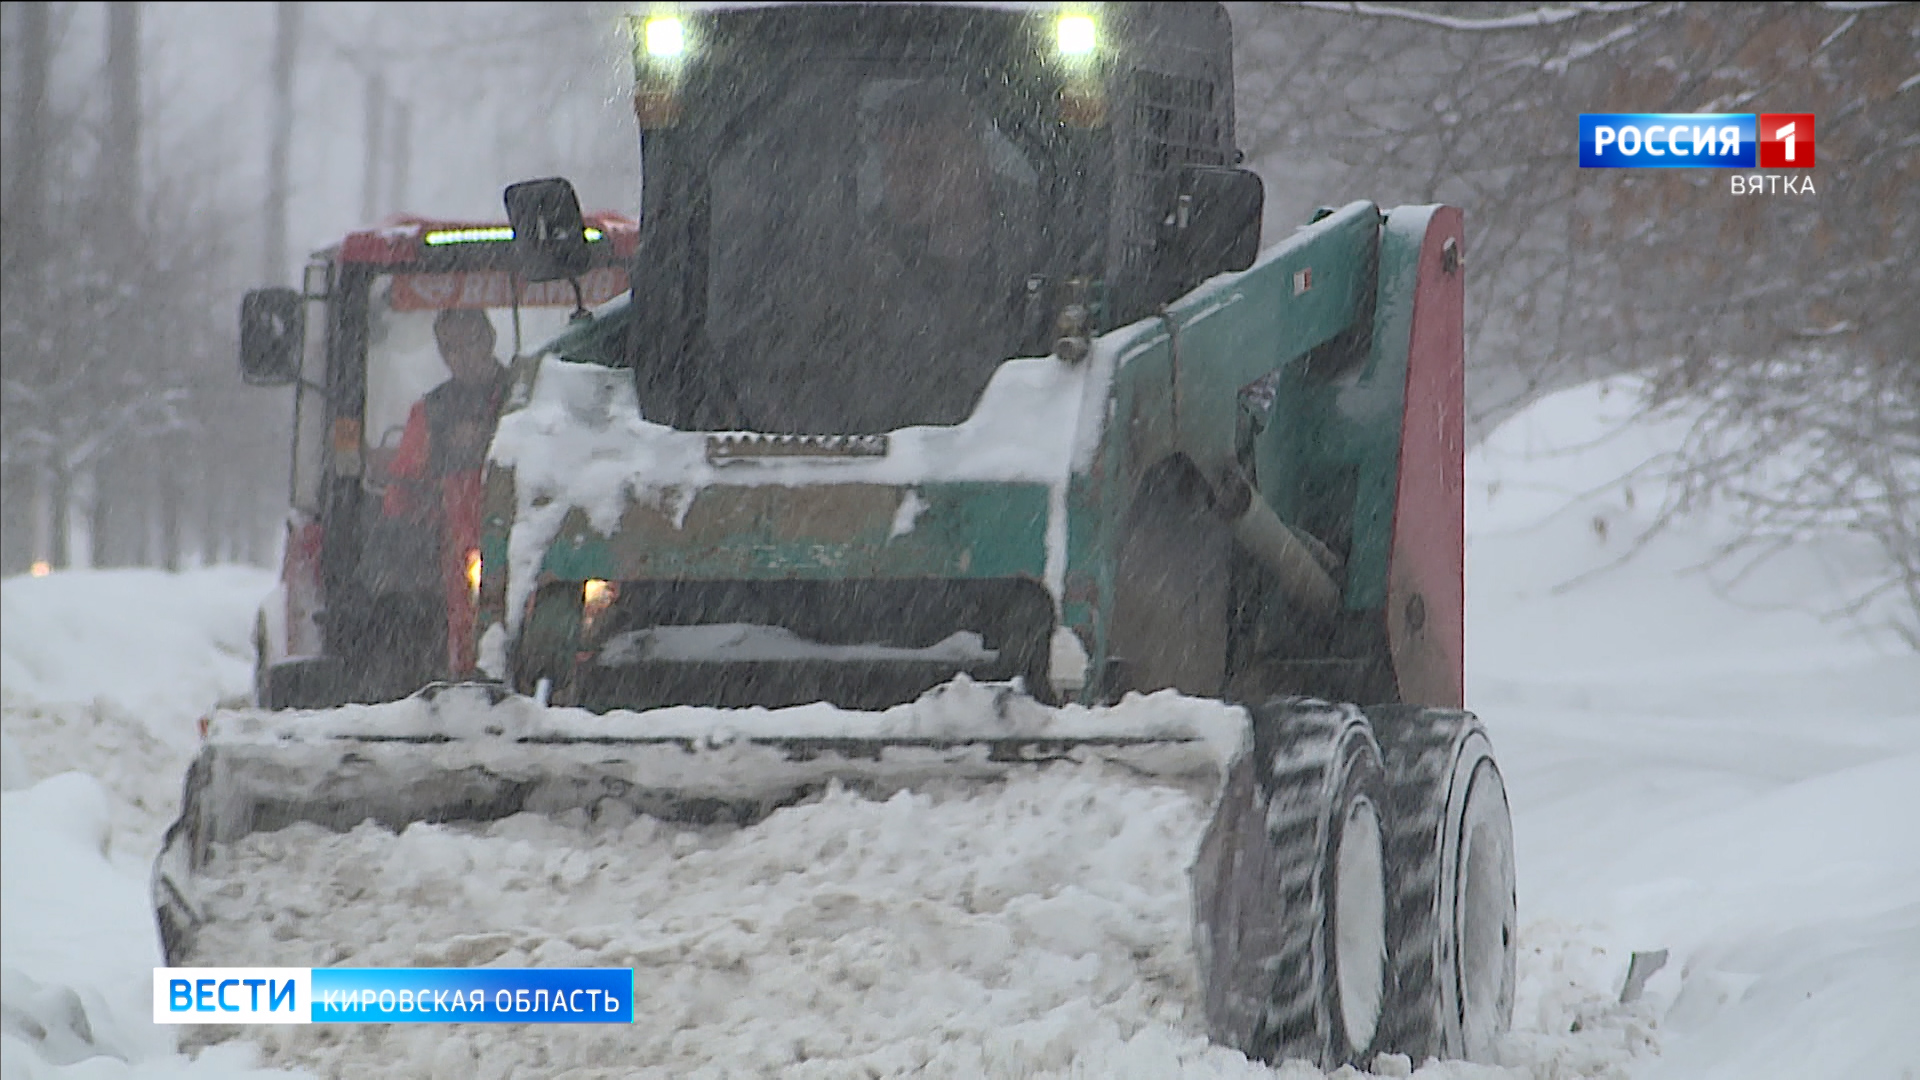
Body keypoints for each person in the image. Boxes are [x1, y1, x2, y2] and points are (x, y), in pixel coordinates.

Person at [380, 307, 512, 676]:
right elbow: (402, 492)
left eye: (470, 344)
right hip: (462, 544)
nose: (461, 357)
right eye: (450, 349)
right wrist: (428, 506)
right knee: (464, 628)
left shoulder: (521, 398)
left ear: (489, 340)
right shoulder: (430, 412)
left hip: (523, 537)